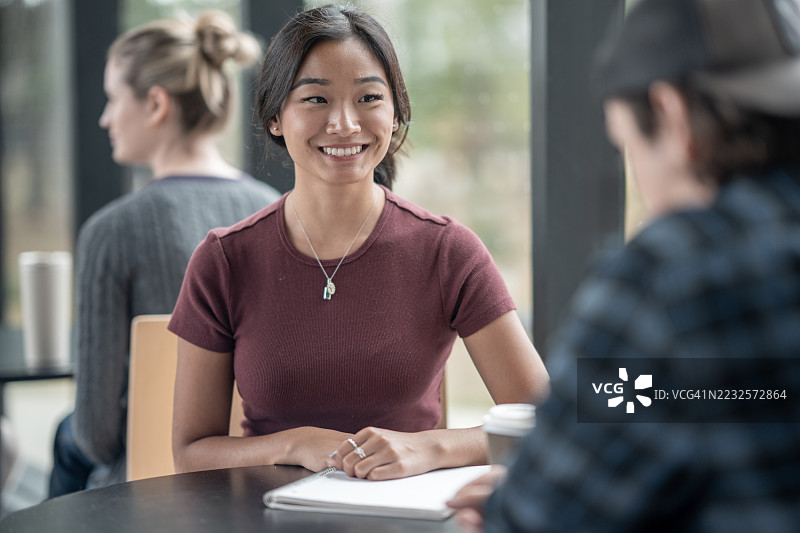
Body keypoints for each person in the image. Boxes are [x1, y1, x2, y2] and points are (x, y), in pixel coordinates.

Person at [448, 0, 800, 530]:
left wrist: (515, 499)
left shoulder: (677, 272)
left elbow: (538, 519)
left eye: (629, 147)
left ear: (673, 115)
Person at [167, 4, 550, 482]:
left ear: (395, 117)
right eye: (315, 99)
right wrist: (296, 442)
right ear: (275, 118)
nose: (345, 123)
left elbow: (545, 421)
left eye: (369, 97)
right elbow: (190, 453)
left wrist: (431, 447)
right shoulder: (223, 261)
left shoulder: (449, 252)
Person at [48, 10, 280, 497]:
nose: (105, 118)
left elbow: (95, 432)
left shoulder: (111, 232)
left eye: (113, 99)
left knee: (65, 437)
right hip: (255, 482)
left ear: (155, 103)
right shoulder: (276, 212)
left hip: (140, 491)